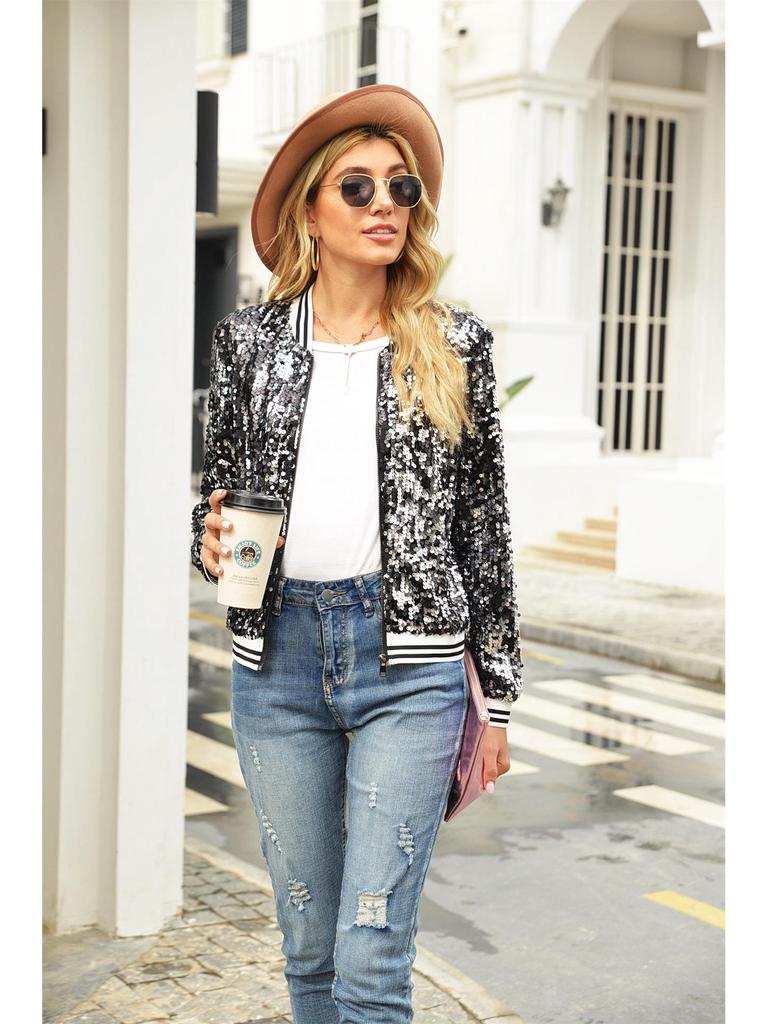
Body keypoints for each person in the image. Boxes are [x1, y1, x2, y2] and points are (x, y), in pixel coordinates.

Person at [190, 84, 524, 1024]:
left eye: (401, 187)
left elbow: (484, 528)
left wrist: (497, 700)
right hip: (278, 663)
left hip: (411, 664)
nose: (385, 204)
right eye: (358, 186)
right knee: (309, 944)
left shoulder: (454, 344)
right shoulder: (251, 344)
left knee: (372, 954)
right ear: (310, 210)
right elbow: (219, 505)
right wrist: (206, 540)